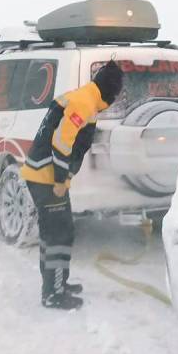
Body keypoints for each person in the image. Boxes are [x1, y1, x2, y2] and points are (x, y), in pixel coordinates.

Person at [21, 60, 124, 309]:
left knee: (57, 231)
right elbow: (62, 143)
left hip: (44, 174)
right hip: (46, 177)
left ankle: (57, 284)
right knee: (58, 234)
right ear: (110, 91)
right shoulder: (83, 102)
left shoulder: (85, 98)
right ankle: (53, 294)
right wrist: (59, 179)